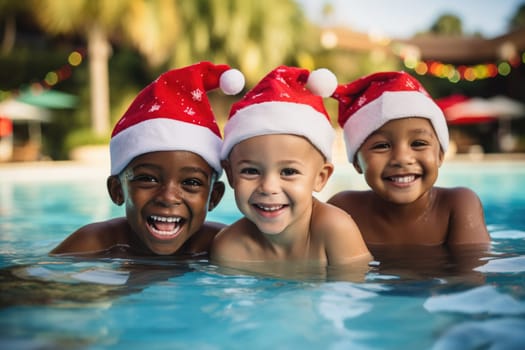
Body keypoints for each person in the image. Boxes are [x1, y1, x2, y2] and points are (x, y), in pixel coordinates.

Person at [50, 61, 245, 257]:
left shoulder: (222, 246)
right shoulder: (95, 243)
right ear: (117, 190)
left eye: (191, 182)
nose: (168, 197)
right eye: (148, 179)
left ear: (214, 197)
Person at [210, 65, 372, 270]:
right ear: (230, 174)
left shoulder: (335, 231)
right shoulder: (229, 249)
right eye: (251, 171)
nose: (268, 187)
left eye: (288, 172)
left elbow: (355, 296)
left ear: (320, 178)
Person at [328, 71, 491, 252]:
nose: (402, 158)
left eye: (419, 143)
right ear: (357, 162)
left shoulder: (458, 206)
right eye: (382, 146)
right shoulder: (344, 211)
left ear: (440, 155)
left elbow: (470, 277)